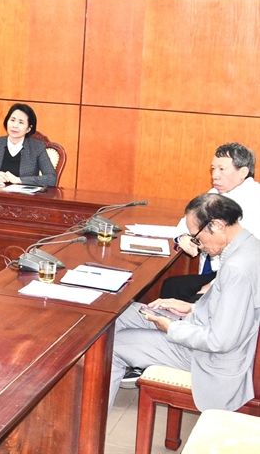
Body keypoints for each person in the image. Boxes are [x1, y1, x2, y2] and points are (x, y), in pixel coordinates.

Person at [109, 193, 260, 411]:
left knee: (111, 346)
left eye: (197, 237)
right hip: (200, 327)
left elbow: (220, 341)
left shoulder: (238, 268)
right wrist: (190, 307)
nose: (199, 245)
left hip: (210, 358)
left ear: (217, 225)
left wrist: (171, 328)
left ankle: (90, 427)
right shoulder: (250, 246)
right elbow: (233, 311)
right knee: (122, 314)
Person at [161, 143, 260, 302]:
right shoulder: (216, 193)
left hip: (235, 281)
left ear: (243, 172)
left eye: (222, 169)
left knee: (177, 292)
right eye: (213, 169)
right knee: (173, 286)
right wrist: (183, 237)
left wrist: (211, 288)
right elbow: (186, 224)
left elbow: (248, 264)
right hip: (215, 274)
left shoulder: (255, 201)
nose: (215, 175)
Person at [0, 103, 58, 187]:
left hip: (24, 198)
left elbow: (51, 178)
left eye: (21, 122)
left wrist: (19, 180)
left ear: (28, 129)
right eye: (12, 120)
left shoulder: (37, 147)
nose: (15, 125)